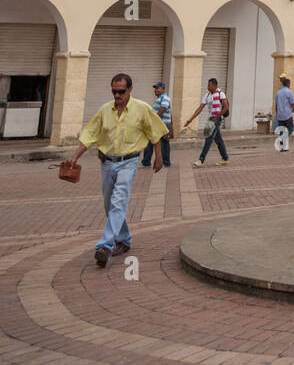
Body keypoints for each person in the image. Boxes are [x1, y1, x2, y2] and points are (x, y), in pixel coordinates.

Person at [62, 72, 167, 267]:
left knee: (119, 202)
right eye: (114, 92)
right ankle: (124, 238)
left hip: (129, 162)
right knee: (110, 204)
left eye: (121, 92)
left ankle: (105, 246)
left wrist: (158, 157)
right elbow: (91, 134)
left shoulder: (142, 109)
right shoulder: (105, 110)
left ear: (130, 90)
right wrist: (75, 157)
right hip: (107, 162)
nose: (117, 96)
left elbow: (155, 132)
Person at [185, 77, 230, 166]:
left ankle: (201, 160)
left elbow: (226, 107)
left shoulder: (221, 94)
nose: (207, 87)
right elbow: (200, 108)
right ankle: (225, 158)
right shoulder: (207, 95)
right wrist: (191, 119)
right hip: (211, 119)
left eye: (209, 85)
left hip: (216, 119)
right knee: (218, 140)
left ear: (214, 85)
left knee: (208, 139)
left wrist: (218, 117)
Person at [141, 82, 171, 168]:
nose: (156, 90)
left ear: (163, 89)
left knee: (162, 144)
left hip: (162, 124)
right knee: (152, 142)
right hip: (159, 124)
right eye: (155, 88)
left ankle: (165, 162)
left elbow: (163, 109)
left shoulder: (165, 97)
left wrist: (155, 120)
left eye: (158, 88)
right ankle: (147, 161)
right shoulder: (160, 98)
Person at [274, 74, 294, 143]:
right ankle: (282, 138)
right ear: (288, 84)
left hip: (280, 114)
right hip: (287, 114)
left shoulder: (278, 92)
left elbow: (276, 105)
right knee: (291, 128)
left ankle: (283, 146)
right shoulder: (289, 92)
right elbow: (292, 103)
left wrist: (277, 113)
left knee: (282, 129)